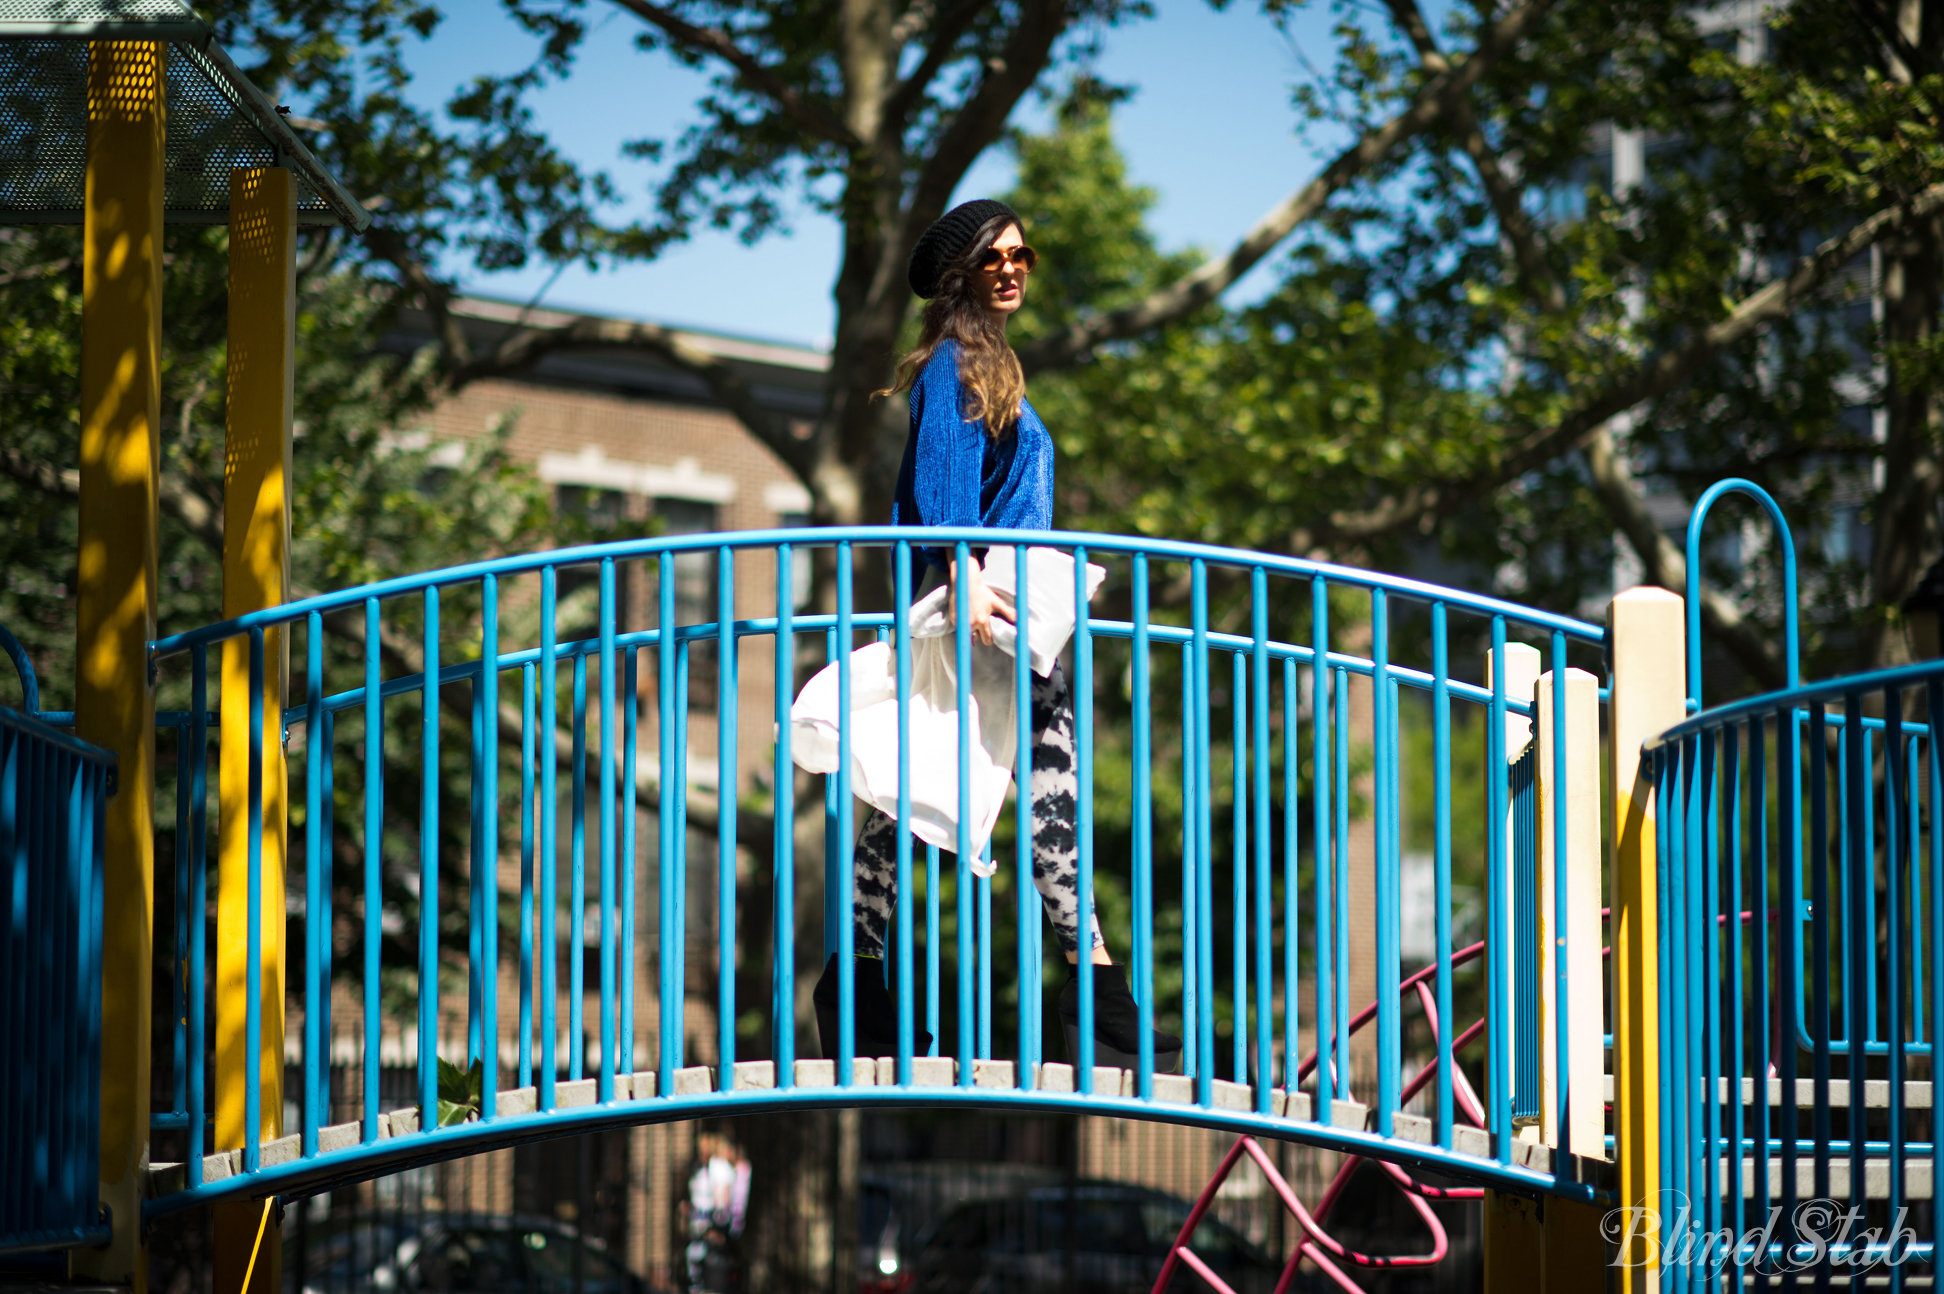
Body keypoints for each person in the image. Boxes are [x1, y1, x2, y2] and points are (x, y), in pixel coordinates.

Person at [810, 198, 1182, 1073]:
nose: (1013, 268)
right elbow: (943, 485)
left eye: (1024, 254)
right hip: (983, 606)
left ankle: (871, 993)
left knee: (933, 798)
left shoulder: (993, 361)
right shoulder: (953, 362)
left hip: (1006, 605)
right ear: (957, 275)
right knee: (998, 794)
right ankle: (1091, 1002)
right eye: (993, 258)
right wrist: (967, 581)